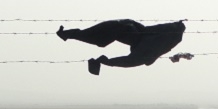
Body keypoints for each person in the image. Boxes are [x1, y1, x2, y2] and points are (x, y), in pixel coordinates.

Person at [57, 19, 187, 75]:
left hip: (143, 41)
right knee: (104, 36)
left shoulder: (144, 50)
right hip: (141, 37)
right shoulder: (143, 43)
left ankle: (69, 34)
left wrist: (103, 61)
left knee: (103, 37)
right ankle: (69, 34)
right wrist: (103, 61)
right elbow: (126, 62)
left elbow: (126, 61)